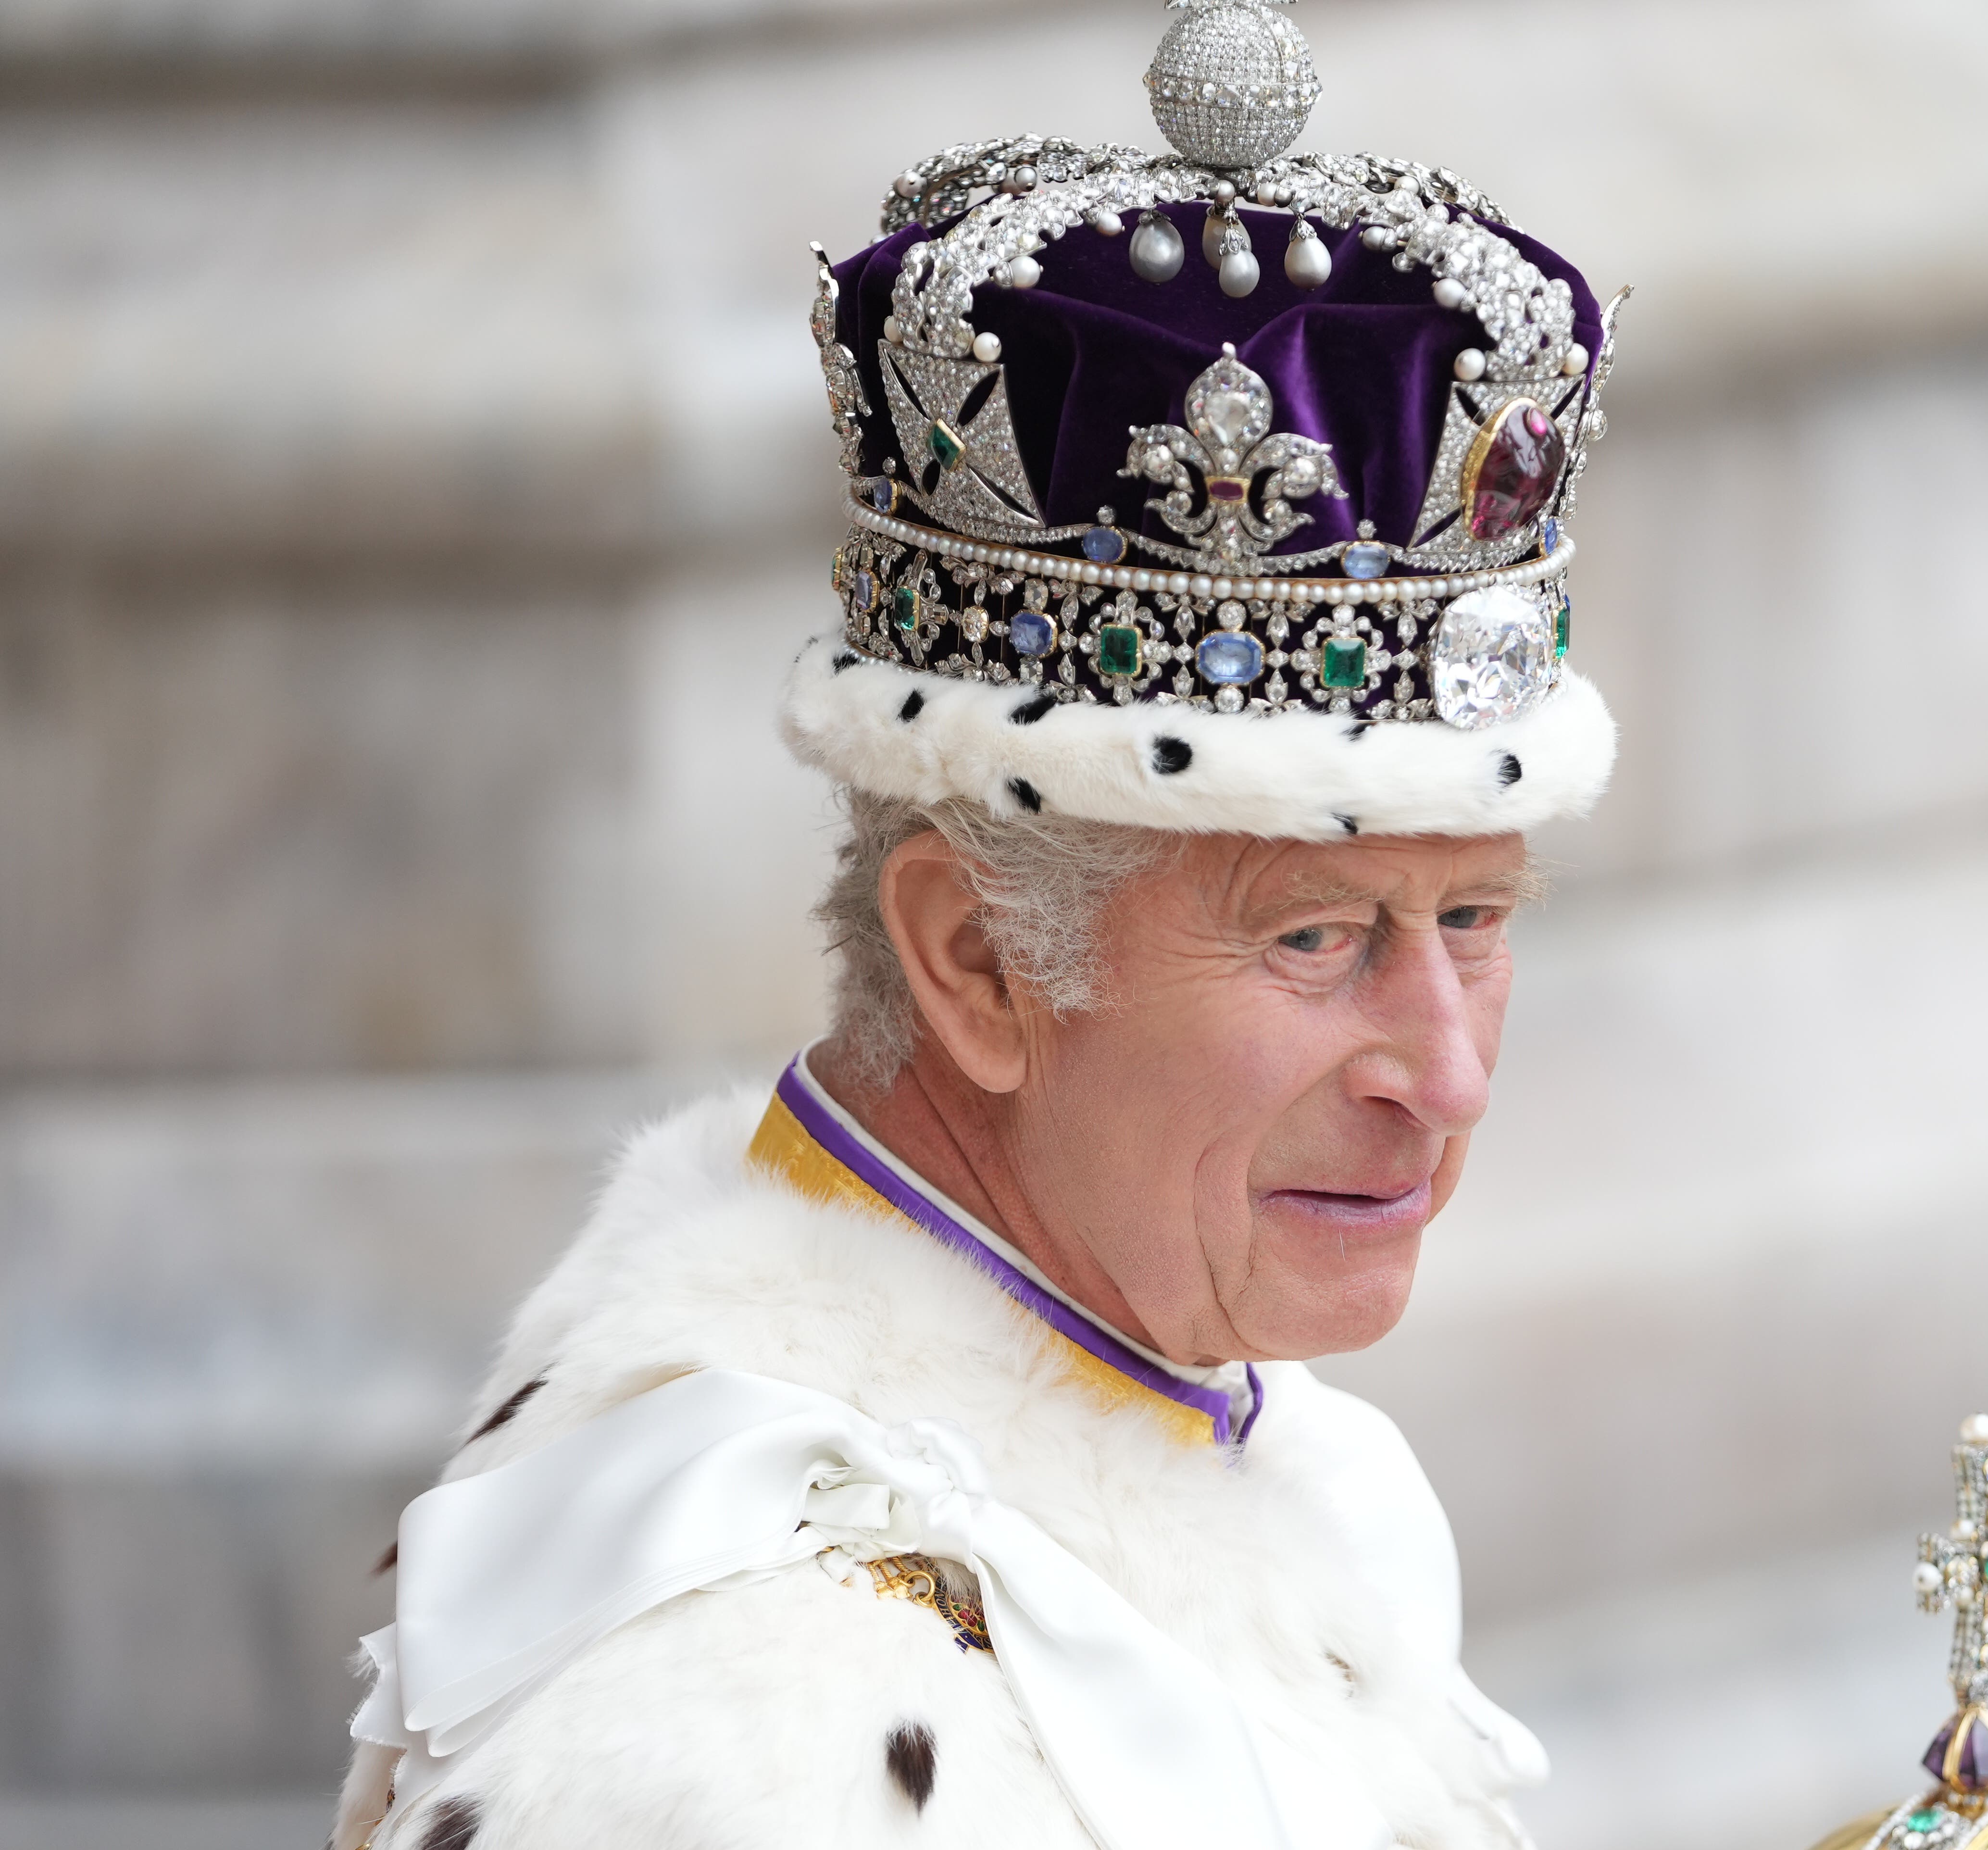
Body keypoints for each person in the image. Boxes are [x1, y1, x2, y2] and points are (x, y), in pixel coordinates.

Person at [330, 5, 1625, 1847]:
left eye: (1475, 915)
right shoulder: (750, 1726)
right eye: (1316, 938)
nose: (1451, 1073)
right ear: (975, 962)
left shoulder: (1210, 1413)